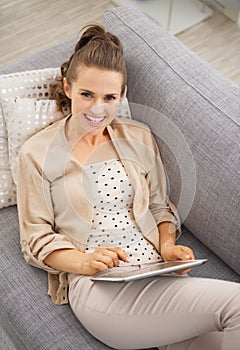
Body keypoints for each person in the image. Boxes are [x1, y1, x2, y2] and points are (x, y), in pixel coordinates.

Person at [17, 24, 240, 350]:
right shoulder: (36, 152)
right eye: (87, 95)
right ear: (68, 88)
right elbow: (35, 239)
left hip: (155, 271)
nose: (97, 109)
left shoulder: (138, 136)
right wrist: (86, 261)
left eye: (109, 97)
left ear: (122, 95)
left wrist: (168, 248)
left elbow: (159, 205)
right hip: (99, 287)